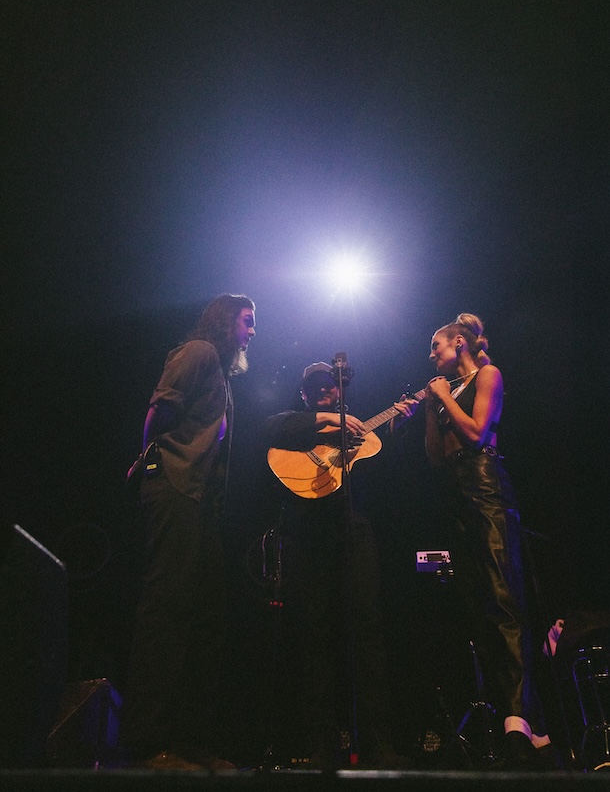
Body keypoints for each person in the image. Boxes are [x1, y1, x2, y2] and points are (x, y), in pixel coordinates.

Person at [392, 313, 551, 768]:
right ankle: (517, 719)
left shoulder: (487, 374)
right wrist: (429, 410)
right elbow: (434, 457)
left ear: (458, 342)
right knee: (477, 606)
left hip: (485, 486)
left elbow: (479, 433)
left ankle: (522, 718)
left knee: (503, 598)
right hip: (455, 492)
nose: (431, 356)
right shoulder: (443, 394)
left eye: (436, 347)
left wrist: (443, 396)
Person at [121, 293, 256, 770]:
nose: (252, 331)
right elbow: (160, 410)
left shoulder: (220, 373)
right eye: (247, 321)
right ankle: (146, 742)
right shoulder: (198, 352)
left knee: (203, 618)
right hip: (174, 486)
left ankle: (188, 739)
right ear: (226, 321)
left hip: (200, 502)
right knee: (167, 611)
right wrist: (151, 466)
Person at [263, 361, 411, 770]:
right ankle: (322, 749)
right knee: (315, 637)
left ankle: (379, 746)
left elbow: (388, 479)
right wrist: (329, 420)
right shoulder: (295, 426)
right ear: (306, 396)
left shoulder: (362, 433)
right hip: (308, 538)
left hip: (354, 533)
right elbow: (271, 429)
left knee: (368, 632)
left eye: (332, 387)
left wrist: (395, 427)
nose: (326, 392)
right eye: (317, 389)